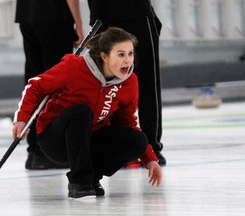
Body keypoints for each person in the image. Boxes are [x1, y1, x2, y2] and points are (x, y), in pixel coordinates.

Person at [12, 27, 162, 198]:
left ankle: (92, 178)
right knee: (81, 112)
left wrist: (150, 159)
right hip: (56, 140)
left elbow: (127, 122)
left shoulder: (129, 82)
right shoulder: (74, 67)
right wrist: (22, 120)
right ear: (105, 56)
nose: (127, 61)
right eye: (121, 54)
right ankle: (79, 181)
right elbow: (35, 86)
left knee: (137, 141)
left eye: (130, 54)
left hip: (89, 138)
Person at [87, 0, 166, 166]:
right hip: (114, 13)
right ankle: (127, 146)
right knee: (110, 85)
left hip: (121, 12)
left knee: (140, 84)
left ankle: (148, 146)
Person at [15, 0, 84, 169]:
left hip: (27, 16)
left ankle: (35, 152)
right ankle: (49, 152)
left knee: (35, 79)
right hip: (54, 16)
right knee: (55, 83)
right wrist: (79, 25)